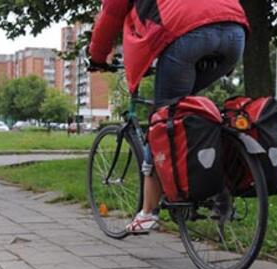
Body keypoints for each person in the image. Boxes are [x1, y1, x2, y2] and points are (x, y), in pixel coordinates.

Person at [89, 0, 249, 234]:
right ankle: (216, 186)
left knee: (163, 120)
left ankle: (148, 212)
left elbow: (111, 15)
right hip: (235, 33)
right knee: (190, 115)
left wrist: (97, 57)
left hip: (189, 34)